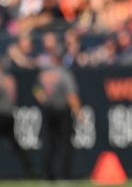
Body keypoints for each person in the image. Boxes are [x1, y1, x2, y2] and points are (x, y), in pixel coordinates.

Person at [32, 50, 84, 180]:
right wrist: (78, 112)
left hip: (49, 110)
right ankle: (65, 174)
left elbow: (36, 89)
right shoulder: (64, 74)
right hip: (62, 110)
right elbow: (71, 95)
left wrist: (42, 99)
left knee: (50, 143)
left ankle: (48, 174)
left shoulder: (44, 74)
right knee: (65, 143)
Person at [0, 62, 34, 178]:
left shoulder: (3, 79)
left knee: (14, 143)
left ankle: (29, 168)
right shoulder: (10, 78)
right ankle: (29, 167)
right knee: (15, 144)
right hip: (9, 114)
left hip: (2, 114)